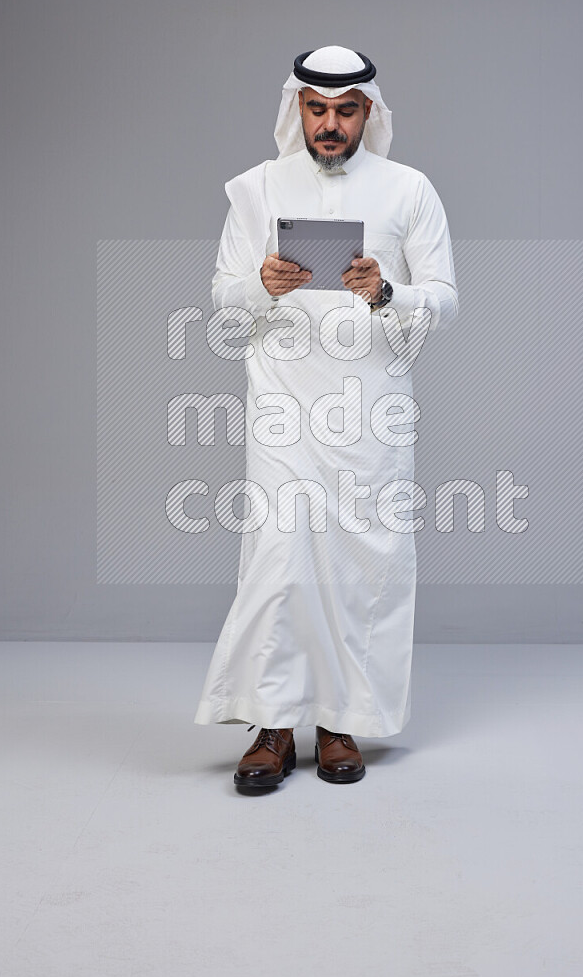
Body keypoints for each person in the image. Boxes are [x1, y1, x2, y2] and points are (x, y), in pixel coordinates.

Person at [193, 46, 458, 791]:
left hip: (372, 411)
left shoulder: (410, 190)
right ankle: (273, 726)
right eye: (317, 109)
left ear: (368, 110)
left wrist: (386, 292)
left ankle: (339, 721)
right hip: (283, 407)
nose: (330, 125)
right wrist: (261, 283)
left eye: (345, 110)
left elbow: (445, 298)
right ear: (297, 109)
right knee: (279, 560)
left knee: (357, 562)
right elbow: (221, 296)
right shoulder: (254, 190)